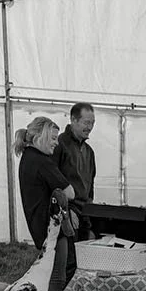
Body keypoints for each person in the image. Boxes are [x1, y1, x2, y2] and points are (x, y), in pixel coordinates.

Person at [13, 116, 80, 291]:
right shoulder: (42, 162)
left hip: (38, 225)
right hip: (52, 229)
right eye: (52, 138)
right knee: (58, 277)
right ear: (39, 137)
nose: (56, 143)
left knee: (50, 274)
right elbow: (70, 192)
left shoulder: (27, 157)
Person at [54, 102, 96, 239]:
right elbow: (53, 183)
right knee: (69, 257)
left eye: (92, 123)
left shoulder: (89, 151)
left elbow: (90, 186)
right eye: (86, 123)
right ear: (73, 120)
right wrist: (65, 211)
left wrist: (90, 211)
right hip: (67, 213)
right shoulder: (59, 145)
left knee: (83, 256)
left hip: (85, 213)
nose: (89, 127)